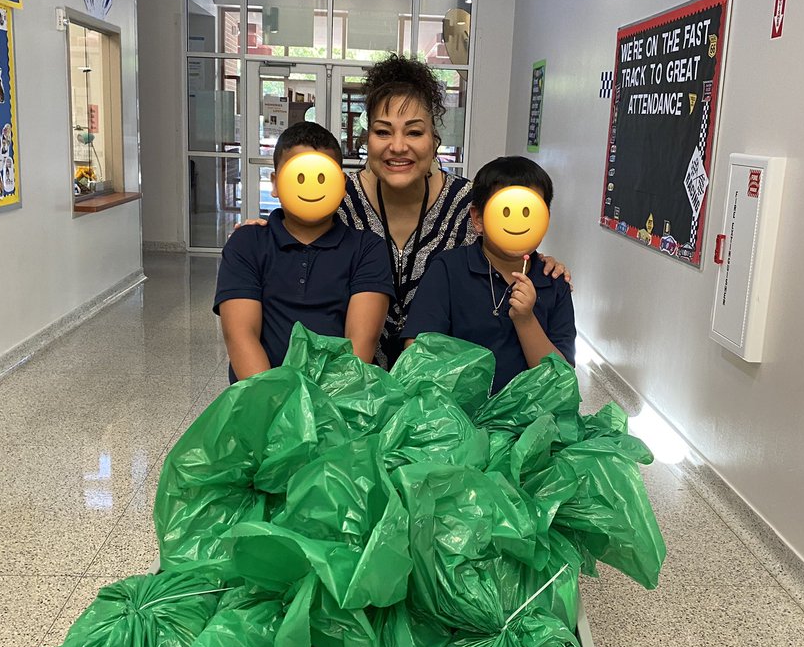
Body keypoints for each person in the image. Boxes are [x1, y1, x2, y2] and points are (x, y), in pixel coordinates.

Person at [339, 54, 571, 367]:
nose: (397, 146)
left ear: (434, 140)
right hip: (351, 379)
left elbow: (508, 244)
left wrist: (545, 263)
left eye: (414, 132)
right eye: (383, 132)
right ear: (366, 138)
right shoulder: (338, 201)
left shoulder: (466, 203)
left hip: (439, 390)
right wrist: (257, 231)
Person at [214, 121, 394, 382]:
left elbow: (360, 347)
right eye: (298, 176)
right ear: (275, 183)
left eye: (322, 177)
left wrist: (320, 413)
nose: (310, 187)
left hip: (338, 405)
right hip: (262, 401)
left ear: (341, 186)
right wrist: (277, 407)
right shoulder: (247, 243)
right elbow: (241, 337)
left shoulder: (368, 249)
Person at [402, 156, 576, 394]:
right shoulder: (448, 269)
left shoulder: (554, 281)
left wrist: (525, 320)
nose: (516, 221)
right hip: (455, 413)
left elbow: (560, 382)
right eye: (505, 211)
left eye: (529, 211)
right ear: (478, 219)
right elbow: (418, 352)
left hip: (530, 416)